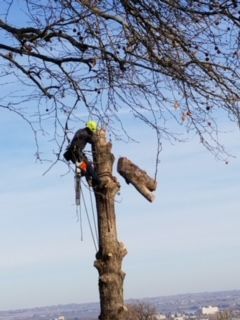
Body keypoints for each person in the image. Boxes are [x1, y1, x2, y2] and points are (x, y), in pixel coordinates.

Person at [64, 120, 99, 185]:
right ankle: (98, 181)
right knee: (89, 167)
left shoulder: (80, 131)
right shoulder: (86, 134)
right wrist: (97, 136)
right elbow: (93, 141)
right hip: (77, 154)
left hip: (74, 154)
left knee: (84, 168)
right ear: (91, 129)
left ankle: (90, 181)